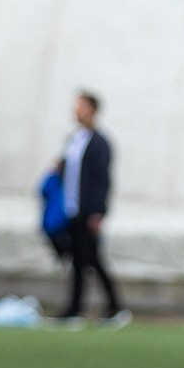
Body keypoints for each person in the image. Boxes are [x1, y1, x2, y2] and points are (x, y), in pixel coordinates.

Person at [57, 90, 129, 329]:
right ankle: (78, 309)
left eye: (81, 106)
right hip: (72, 209)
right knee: (81, 261)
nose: (76, 110)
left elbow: (102, 180)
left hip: (88, 212)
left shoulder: (100, 143)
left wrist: (98, 212)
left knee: (92, 261)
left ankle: (110, 307)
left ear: (92, 110)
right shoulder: (74, 140)